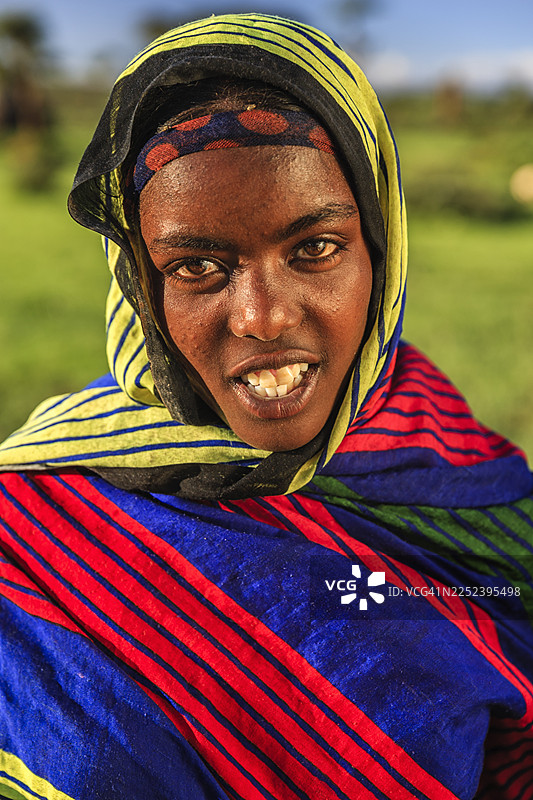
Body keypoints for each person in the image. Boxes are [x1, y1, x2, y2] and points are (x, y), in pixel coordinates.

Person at [0, 13, 532, 800]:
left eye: (314, 248)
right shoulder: (33, 520)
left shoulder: (473, 497)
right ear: (139, 287)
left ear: (379, 252)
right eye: (196, 266)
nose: (262, 316)